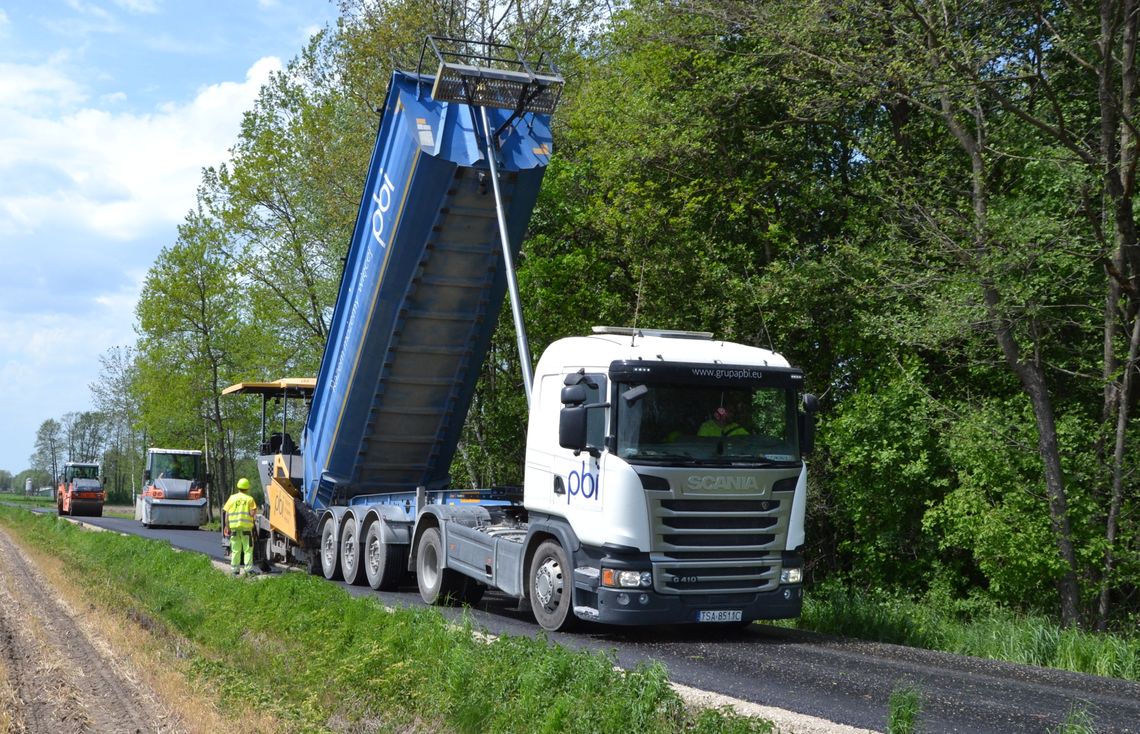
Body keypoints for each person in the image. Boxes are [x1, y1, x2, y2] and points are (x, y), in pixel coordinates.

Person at [223, 477, 258, 576]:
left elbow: (227, 514)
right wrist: (254, 514)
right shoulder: (250, 499)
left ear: (238, 487)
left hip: (234, 529)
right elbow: (252, 514)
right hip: (246, 529)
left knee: (235, 550)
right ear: (247, 488)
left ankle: (235, 570)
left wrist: (227, 526)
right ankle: (248, 570)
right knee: (248, 550)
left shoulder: (232, 498)